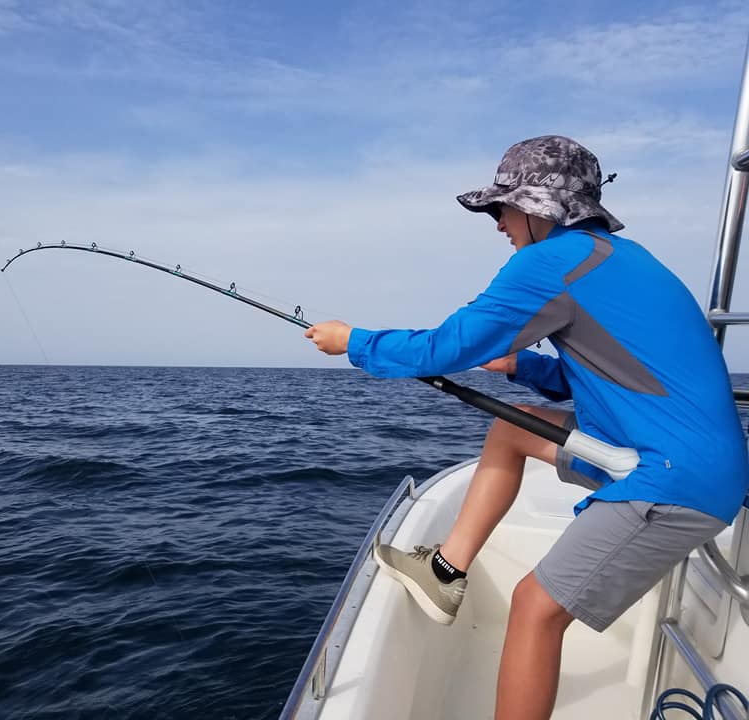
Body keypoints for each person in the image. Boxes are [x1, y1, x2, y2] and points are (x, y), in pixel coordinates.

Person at [304, 135, 749, 720]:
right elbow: (606, 376)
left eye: (501, 208)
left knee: (535, 607)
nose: (497, 223)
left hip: (673, 477)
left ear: (542, 208)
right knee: (513, 429)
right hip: (674, 453)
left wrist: (352, 341)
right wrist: (522, 365)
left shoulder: (548, 262)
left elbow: (446, 346)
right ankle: (446, 572)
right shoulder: (616, 257)